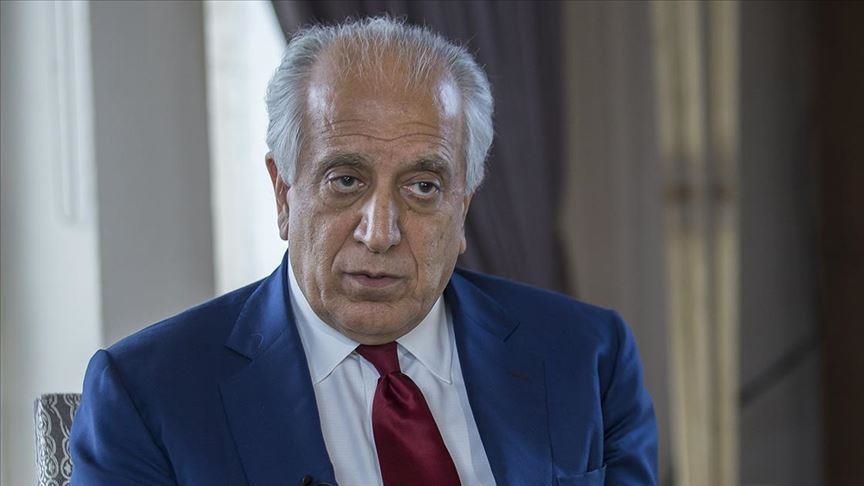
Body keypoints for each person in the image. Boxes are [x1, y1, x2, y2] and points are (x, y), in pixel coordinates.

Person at [70, 17, 657, 486]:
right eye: (346, 180)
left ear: (463, 208)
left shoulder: (588, 358)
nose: (379, 233)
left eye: (423, 187)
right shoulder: (150, 396)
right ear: (283, 193)